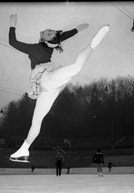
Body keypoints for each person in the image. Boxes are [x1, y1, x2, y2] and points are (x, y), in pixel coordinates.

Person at [9, 13, 110, 162]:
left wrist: (12, 25)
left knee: (75, 67)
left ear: (47, 40)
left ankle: (93, 44)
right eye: (49, 30)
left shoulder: (33, 48)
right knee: (36, 121)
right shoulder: (41, 45)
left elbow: (13, 42)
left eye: (49, 33)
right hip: (48, 90)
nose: (47, 31)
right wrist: (76, 29)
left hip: (47, 79)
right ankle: (24, 150)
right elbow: (63, 36)